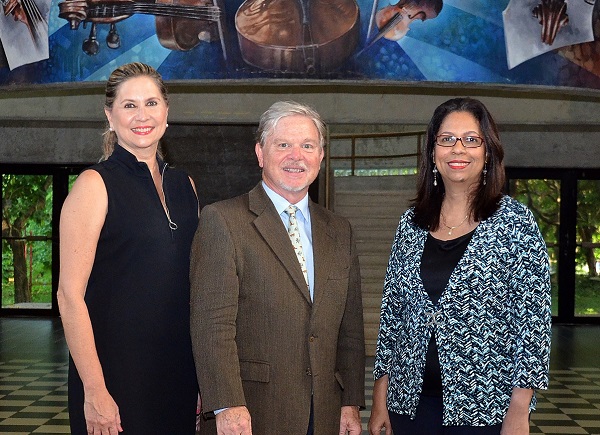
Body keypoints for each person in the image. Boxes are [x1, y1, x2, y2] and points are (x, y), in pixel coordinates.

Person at [368, 97, 552, 435]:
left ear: (487, 152)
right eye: (447, 139)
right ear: (432, 152)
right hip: (409, 406)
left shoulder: (516, 223)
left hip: (484, 410)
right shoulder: (410, 225)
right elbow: (392, 319)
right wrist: (381, 399)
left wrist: (520, 410)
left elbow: (534, 329)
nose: (458, 149)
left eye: (471, 139)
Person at [190, 100, 366, 435]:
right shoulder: (224, 220)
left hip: (325, 412)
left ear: (321, 156)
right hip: (251, 413)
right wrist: (227, 405)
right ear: (260, 153)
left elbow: (351, 328)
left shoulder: (340, 231)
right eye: (283, 144)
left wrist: (351, 402)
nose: (296, 156)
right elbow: (211, 325)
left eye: (307, 146)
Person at [57, 62, 199, 434]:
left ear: (167, 112)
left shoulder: (185, 185)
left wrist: (203, 380)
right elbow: (70, 297)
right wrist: (95, 390)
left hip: (178, 375)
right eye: (129, 105)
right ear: (110, 115)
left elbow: (190, 290)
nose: (142, 116)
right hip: (114, 380)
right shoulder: (94, 185)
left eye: (151, 103)